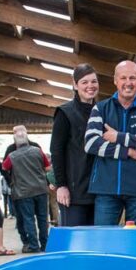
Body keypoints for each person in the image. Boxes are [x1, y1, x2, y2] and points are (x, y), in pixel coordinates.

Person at [84, 60, 136, 225]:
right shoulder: (100, 108)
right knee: (104, 241)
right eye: (123, 78)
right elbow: (91, 143)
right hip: (106, 189)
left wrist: (118, 136)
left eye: (132, 78)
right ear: (115, 80)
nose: (128, 83)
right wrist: (129, 152)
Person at [50, 63, 99, 226]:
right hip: (74, 190)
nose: (90, 86)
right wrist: (61, 185)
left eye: (94, 81)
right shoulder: (65, 113)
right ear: (75, 85)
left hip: (100, 191)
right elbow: (56, 151)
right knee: (76, 238)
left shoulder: (103, 111)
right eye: (85, 82)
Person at [3, 128, 51, 253]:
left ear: (16, 142)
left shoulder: (12, 156)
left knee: (29, 219)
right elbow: (47, 167)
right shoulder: (38, 151)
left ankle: (33, 245)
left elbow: (4, 167)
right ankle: (45, 244)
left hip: (23, 192)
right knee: (42, 218)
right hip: (40, 189)